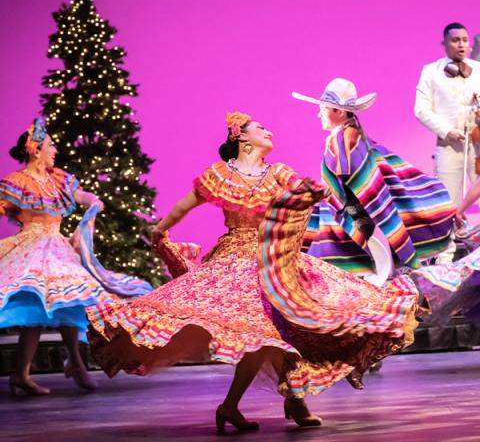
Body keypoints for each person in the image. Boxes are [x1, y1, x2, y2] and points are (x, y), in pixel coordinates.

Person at [86, 111, 418, 432]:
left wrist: (321, 193)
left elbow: (311, 190)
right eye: (260, 127)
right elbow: (185, 205)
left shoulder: (278, 174)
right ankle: (260, 403)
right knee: (263, 334)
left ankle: (285, 398)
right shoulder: (219, 174)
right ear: (241, 136)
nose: (268, 132)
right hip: (236, 259)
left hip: (274, 260)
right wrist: (160, 231)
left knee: (289, 325)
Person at [0, 117, 150, 396]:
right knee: (39, 307)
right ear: (35, 149)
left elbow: (82, 196)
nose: (55, 150)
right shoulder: (17, 182)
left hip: (57, 247)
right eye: (51, 145)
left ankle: (71, 364)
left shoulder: (57, 178)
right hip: (32, 248)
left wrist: (94, 203)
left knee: (69, 299)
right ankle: (30, 372)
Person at [292, 78, 455, 284]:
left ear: (339, 112)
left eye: (324, 108)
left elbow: (362, 185)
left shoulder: (346, 139)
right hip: (346, 221)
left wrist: (334, 200)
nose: (319, 113)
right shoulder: (349, 136)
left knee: (327, 277)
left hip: (345, 224)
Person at [415, 22, 480, 207]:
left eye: (465, 40)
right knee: (447, 201)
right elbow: (421, 109)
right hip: (449, 145)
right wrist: (447, 131)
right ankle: (451, 234)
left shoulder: (478, 70)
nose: (461, 45)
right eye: (456, 40)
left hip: (478, 144)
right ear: (444, 43)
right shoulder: (431, 71)